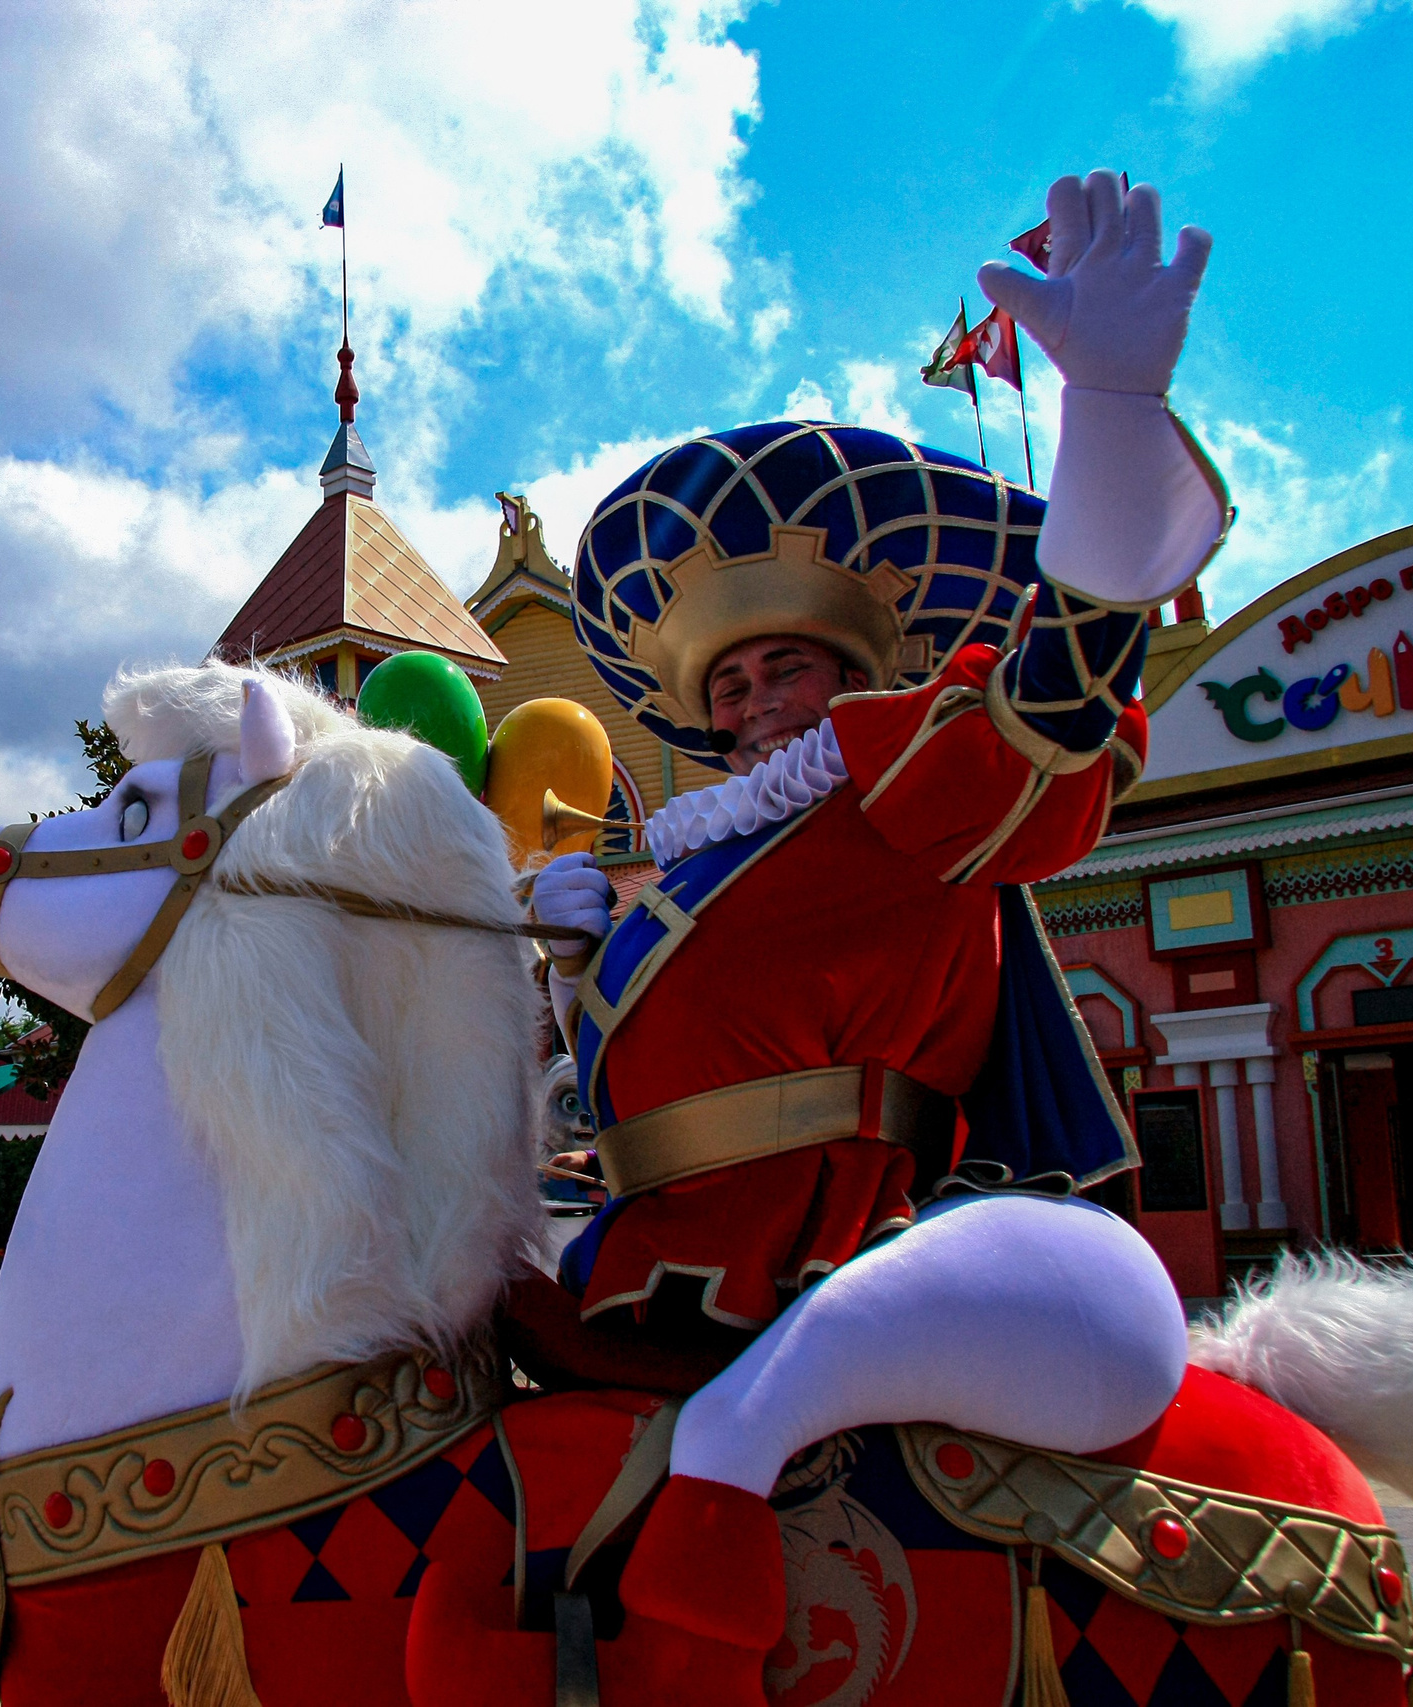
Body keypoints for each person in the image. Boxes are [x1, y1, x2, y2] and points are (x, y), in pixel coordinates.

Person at [526, 172, 1220, 1699]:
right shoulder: (697, 862)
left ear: (848, 674)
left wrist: (1106, 402)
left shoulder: (898, 781)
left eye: (785, 665)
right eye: (728, 681)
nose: (752, 698)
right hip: (632, 1256)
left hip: (819, 1254)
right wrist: (559, 960)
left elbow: (1053, 708)